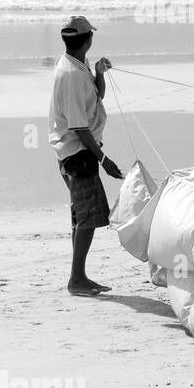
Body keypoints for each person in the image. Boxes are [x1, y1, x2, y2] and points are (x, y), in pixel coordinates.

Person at [48, 15, 124, 296]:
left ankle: (78, 277)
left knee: (81, 216)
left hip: (79, 151)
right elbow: (78, 126)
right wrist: (104, 161)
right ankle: (76, 279)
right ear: (88, 40)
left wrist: (100, 74)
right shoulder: (69, 75)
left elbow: (96, 97)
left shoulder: (76, 64)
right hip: (77, 154)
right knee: (88, 218)